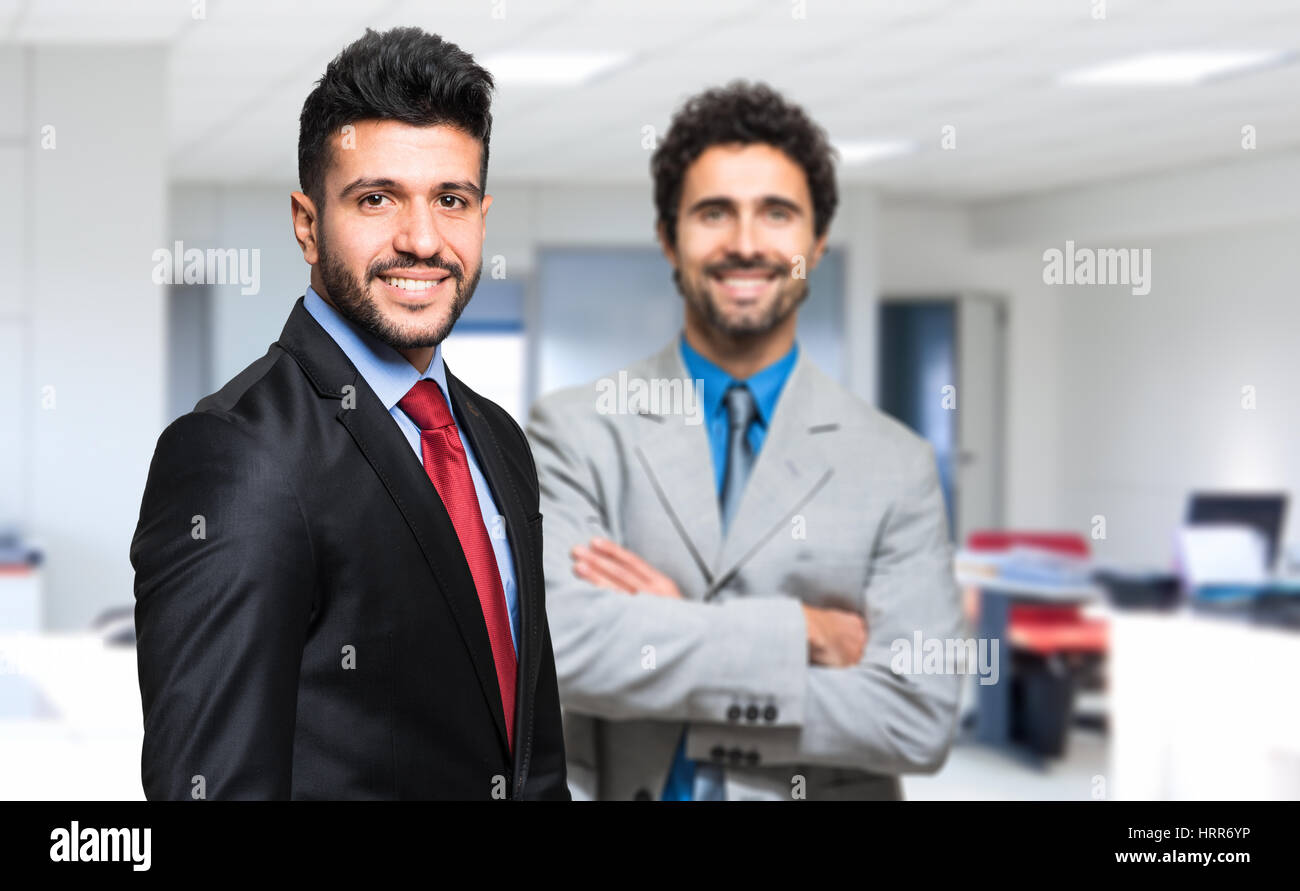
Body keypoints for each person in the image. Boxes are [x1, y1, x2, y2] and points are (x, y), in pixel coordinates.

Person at [131, 27, 568, 800]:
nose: (422, 239)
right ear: (307, 223)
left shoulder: (497, 440)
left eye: (451, 200)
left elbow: (527, 760)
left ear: (482, 216)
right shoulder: (238, 455)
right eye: (376, 199)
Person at [526, 82, 963, 800]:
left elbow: (917, 716)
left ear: (817, 241)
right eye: (713, 213)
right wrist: (802, 635)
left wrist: (674, 631)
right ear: (670, 237)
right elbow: (560, 648)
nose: (747, 243)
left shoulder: (894, 464)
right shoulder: (576, 429)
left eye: (778, 214)